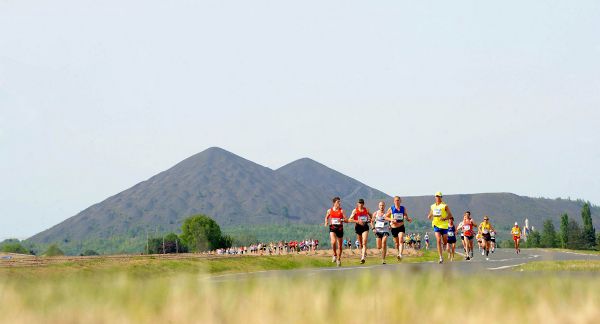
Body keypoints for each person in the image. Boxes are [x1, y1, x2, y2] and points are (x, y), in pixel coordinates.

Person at [427, 192, 454, 264]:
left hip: (444, 225)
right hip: (436, 225)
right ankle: (440, 257)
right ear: (435, 197)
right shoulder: (432, 206)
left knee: (445, 239)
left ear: (441, 197)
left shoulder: (444, 206)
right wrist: (429, 216)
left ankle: (445, 244)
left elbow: (450, 215)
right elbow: (431, 213)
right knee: (438, 240)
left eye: (439, 196)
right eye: (436, 196)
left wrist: (445, 218)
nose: (437, 197)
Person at [386, 196, 413, 261]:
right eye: (395, 200)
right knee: (396, 243)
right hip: (394, 228)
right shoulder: (391, 208)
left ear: (400, 201)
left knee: (401, 240)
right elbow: (386, 217)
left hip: (401, 226)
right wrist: (391, 220)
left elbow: (405, 215)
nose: (397, 201)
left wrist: (407, 219)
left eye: (398, 200)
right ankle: (399, 253)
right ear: (394, 201)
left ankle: (400, 254)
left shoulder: (403, 208)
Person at [324, 197, 346, 267]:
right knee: (333, 242)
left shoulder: (342, 211)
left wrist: (342, 220)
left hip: (340, 228)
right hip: (332, 228)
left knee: (339, 246)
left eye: (339, 202)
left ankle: (338, 259)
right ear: (334, 203)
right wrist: (326, 222)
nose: (339, 203)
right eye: (338, 202)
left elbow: (346, 219)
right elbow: (326, 217)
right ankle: (334, 254)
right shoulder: (329, 210)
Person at [349, 199, 371, 264]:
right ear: (357, 204)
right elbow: (350, 219)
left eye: (362, 203)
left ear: (363, 204)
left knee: (364, 242)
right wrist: (357, 221)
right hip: (358, 227)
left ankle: (363, 258)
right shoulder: (355, 210)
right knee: (361, 244)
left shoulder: (366, 210)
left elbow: (371, 215)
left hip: (365, 227)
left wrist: (370, 219)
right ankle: (363, 253)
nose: (361, 204)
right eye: (359, 203)